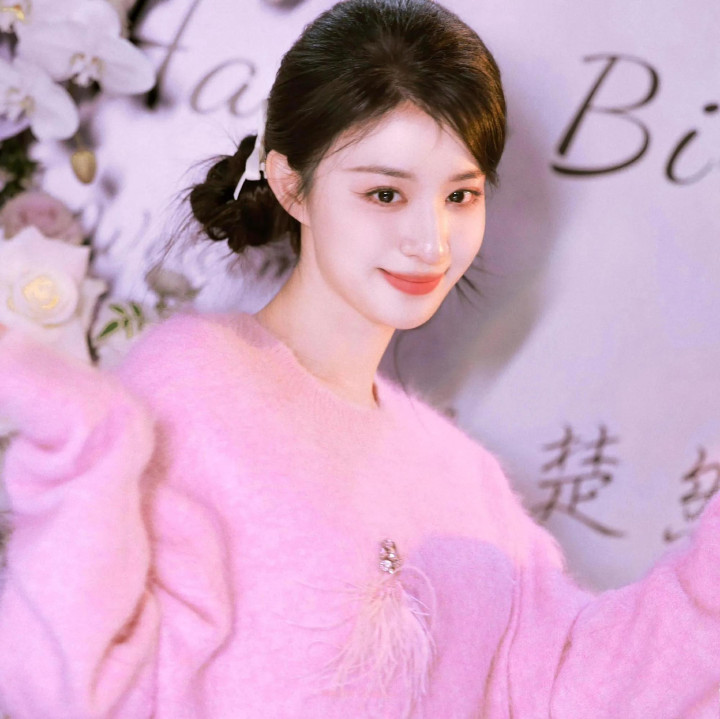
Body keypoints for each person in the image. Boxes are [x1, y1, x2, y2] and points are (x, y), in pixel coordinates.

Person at [0, 0, 718, 717]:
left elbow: (574, 688)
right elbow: (72, 686)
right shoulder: (194, 386)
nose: (431, 242)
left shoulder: (466, 478)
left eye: (460, 195)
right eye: (385, 193)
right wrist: (81, 450)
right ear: (291, 184)